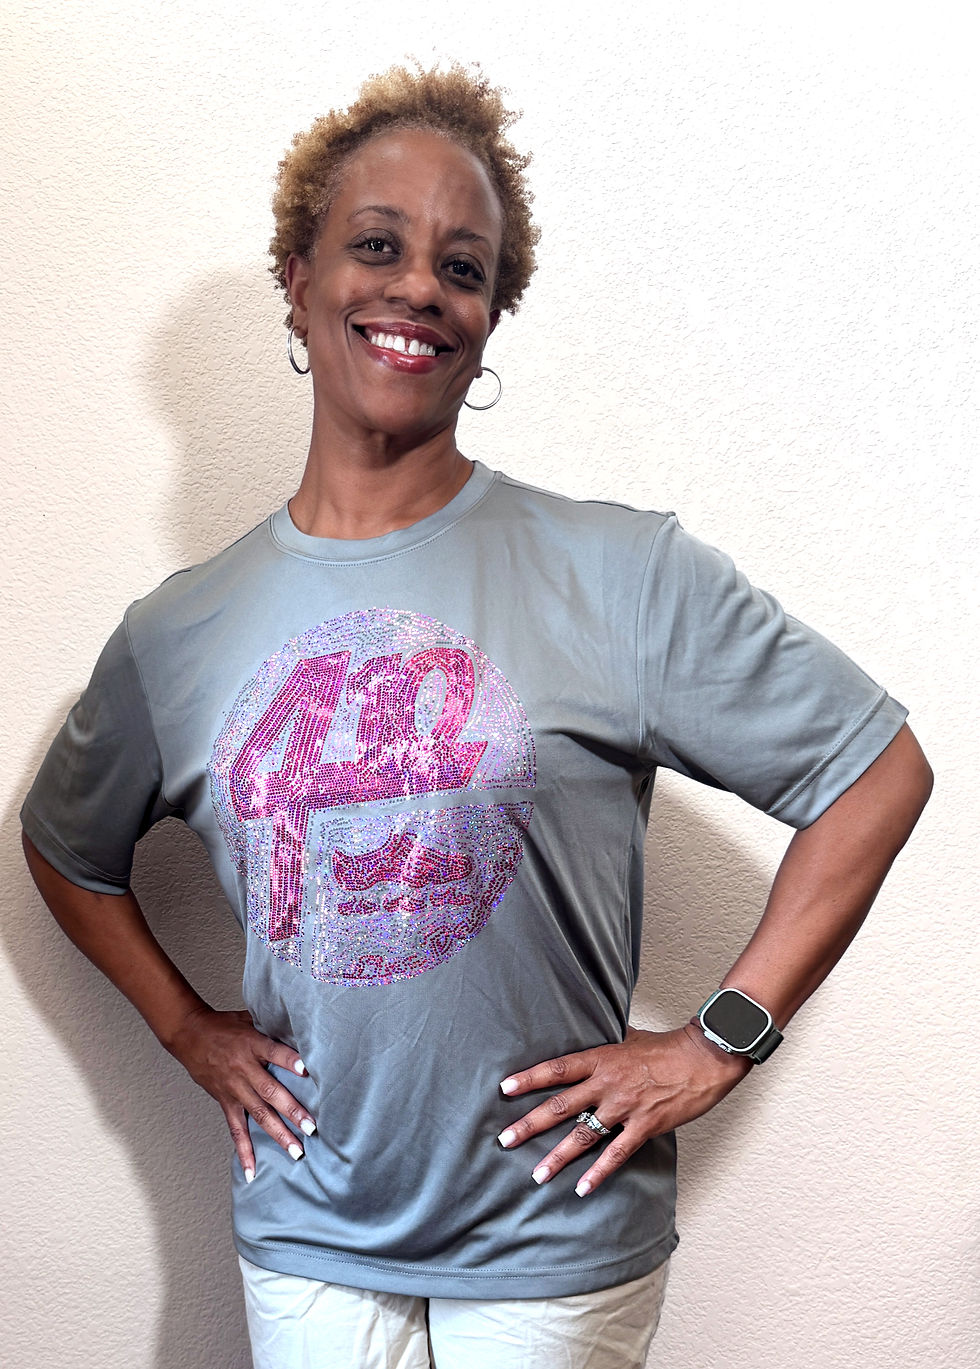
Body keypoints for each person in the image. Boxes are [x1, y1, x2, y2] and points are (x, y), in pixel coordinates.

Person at [21, 62, 932, 1369]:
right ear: (299, 273)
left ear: (493, 313)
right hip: (311, 1232)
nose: (416, 290)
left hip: (554, 1245)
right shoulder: (181, 632)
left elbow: (873, 770)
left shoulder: (621, 573)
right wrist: (185, 1026)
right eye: (376, 245)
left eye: (462, 267)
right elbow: (63, 843)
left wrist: (722, 1037)